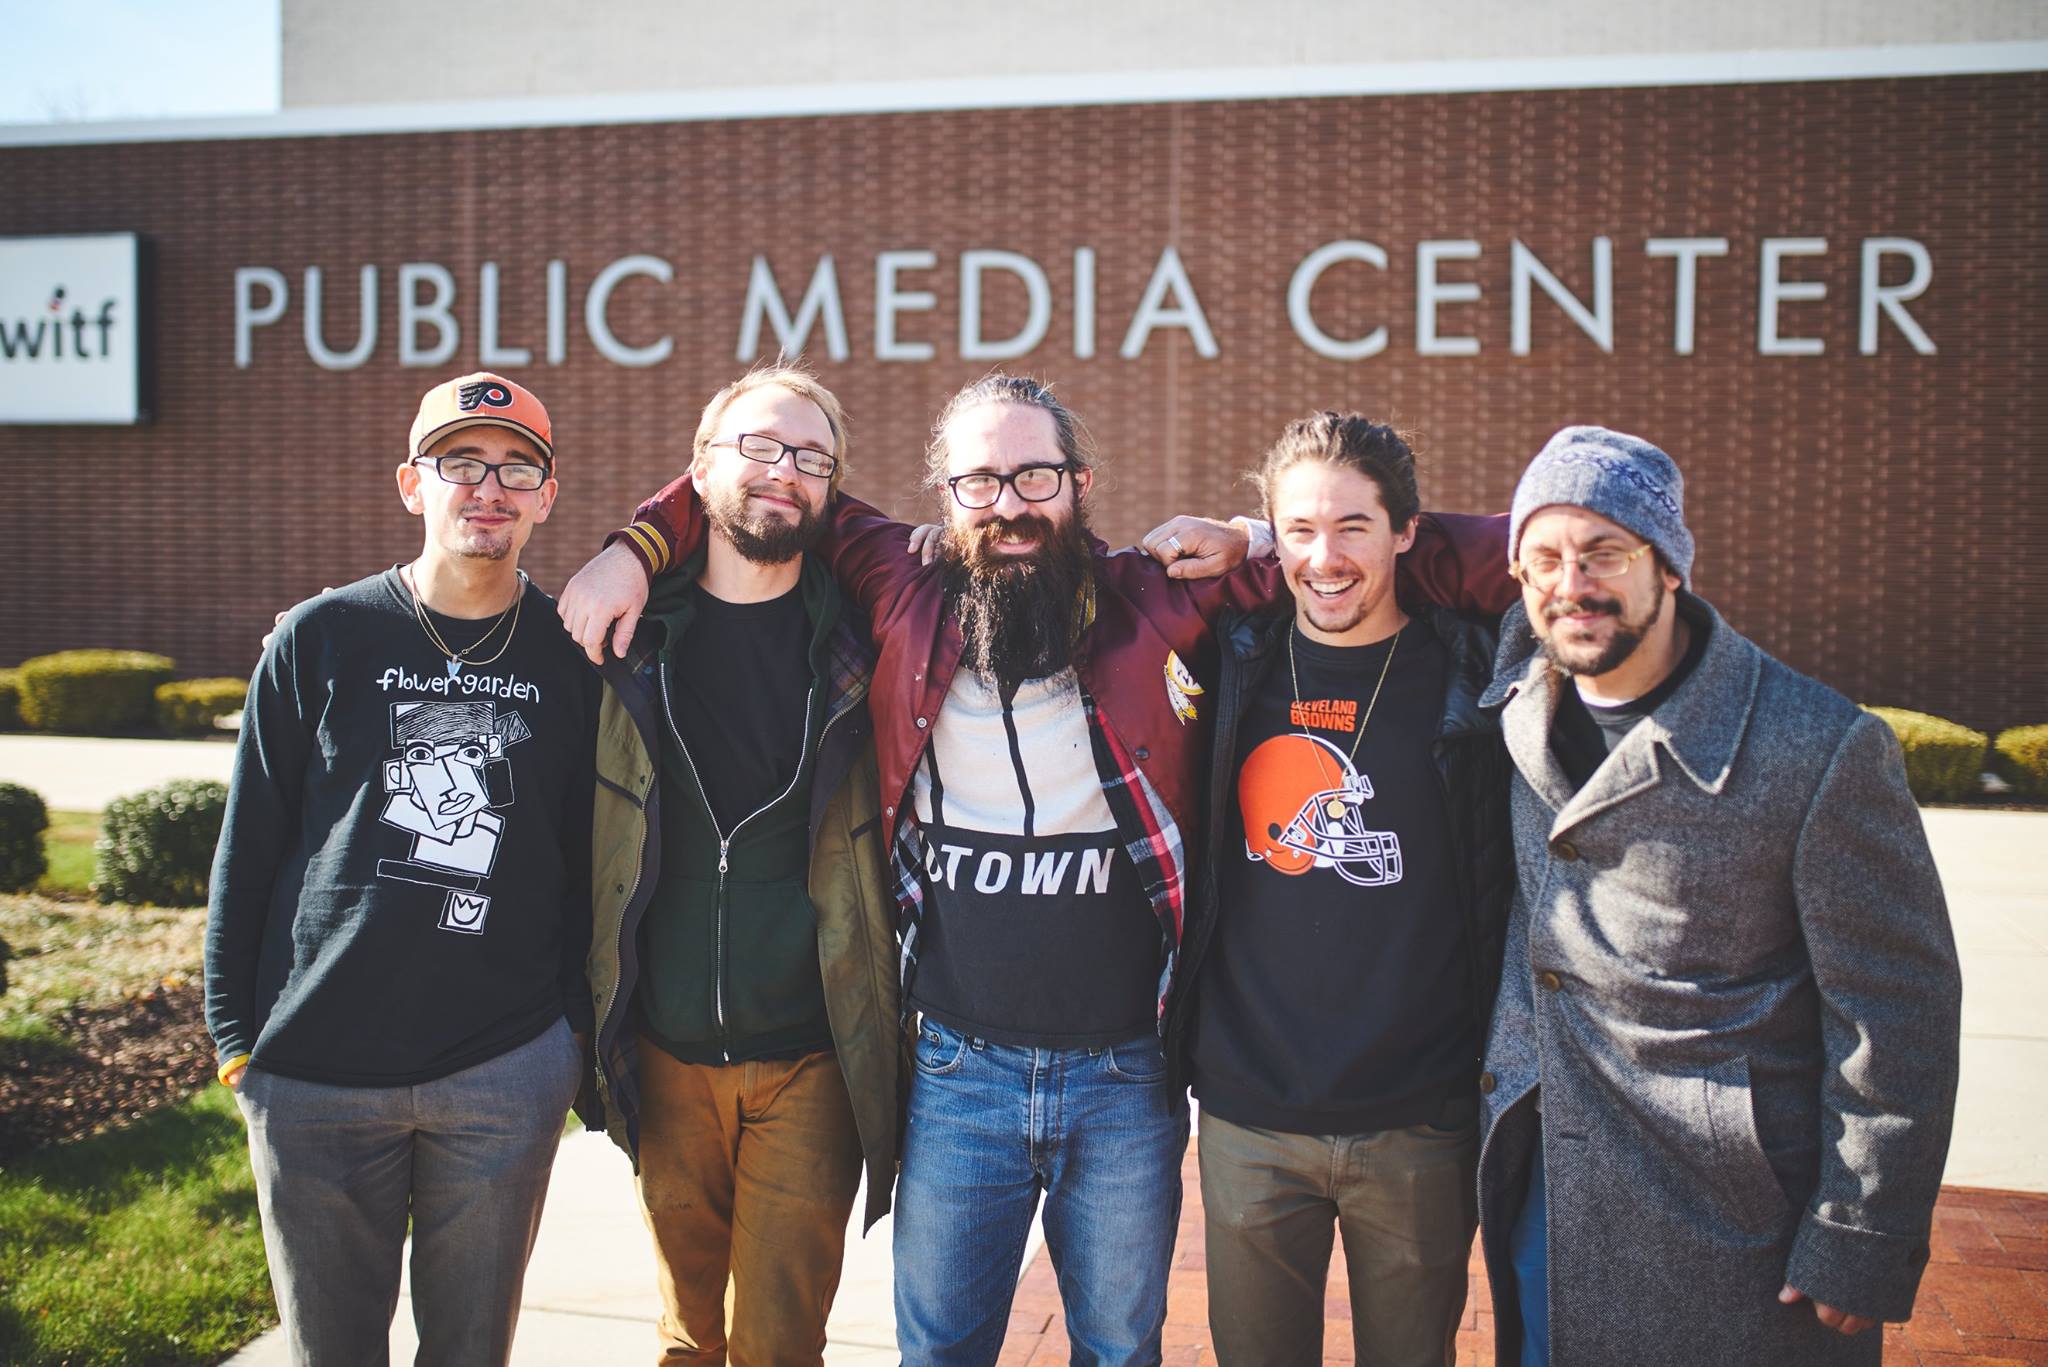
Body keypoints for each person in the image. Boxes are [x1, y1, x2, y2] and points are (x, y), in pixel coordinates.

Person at [557, 374, 1511, 1365]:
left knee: (1117, 1348)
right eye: (979, 480)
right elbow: (758, 479)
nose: (1009, 503)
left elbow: (1358, 552)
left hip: (1124, 1077)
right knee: (939, 1349)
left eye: (1034, 475)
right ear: (942, 498)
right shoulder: (898, 584)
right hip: (956, 1072)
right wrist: (636, 544)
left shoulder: (1160, 595)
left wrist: (1294, 532)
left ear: (1079, 482)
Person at [1474, 425, 1962, 1365]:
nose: (1571, 585)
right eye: (1543, 559)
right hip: (1551, 1186)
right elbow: (1403, 541)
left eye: (1604, 553)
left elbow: (1898, 1009)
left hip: (1735, 1222)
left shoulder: (1819, 748)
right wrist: (1256, 539)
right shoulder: (1520, 686)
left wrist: (1863, 1234)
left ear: (1671, 566)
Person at [204, 372, 600, 1366]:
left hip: (502, 1066)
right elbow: (249, 843)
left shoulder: (573, 655)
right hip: (316, 1068)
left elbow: (593, 860)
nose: (489, 487)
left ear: (547, 494)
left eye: (517, 466)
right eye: (459, 462)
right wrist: (234, 1038)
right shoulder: (322, 635)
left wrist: (565, 1044)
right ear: (410, 483)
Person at [1155, 414, 1513, 1366]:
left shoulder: (1471, 667)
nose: (1326, 558)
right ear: (1273, 539)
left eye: (1356, 526)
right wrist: (1250, 543)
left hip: (1420, 1113)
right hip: (1249, 1112)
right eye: (1300, 530)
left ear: (1408, 533)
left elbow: (1568, 549)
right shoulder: (1231, 657)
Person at [578, 365, 901, 1364]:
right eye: (758, 446)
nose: (783, 471)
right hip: (665, 1048)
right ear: (697, 469)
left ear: (832, 489)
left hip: (810, 1052)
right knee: (686, 1334)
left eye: (810, 457)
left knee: (777, 1342)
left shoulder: (862, 641)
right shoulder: (630, 635)